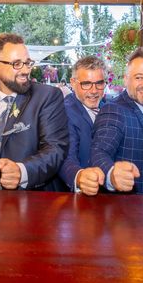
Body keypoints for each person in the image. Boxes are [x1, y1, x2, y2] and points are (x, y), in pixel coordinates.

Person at [0, 33, 68, 191]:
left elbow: (55, 149)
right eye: (17, 64)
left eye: (27, 63)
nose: (25, 70)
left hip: (32, 202)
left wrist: (22, 172)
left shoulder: (47, 97)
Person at [90, 47, 143, 194]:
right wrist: (112, 174)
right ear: (126, 80)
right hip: (129, 211)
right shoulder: (114, 110)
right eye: (139, 77)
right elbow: (98, 152)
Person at [59, 56, 106, 195]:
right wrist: (79, 176)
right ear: (73, 83)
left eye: (99, 83)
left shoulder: (107, 107)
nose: (93, 90)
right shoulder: (64, 112)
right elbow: (65, 157)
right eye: (86, 84)